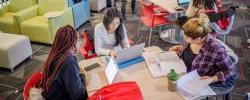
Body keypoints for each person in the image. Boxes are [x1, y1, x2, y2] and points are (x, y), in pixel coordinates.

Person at [169, 14, 238, 95]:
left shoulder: (216, 49)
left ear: (198, 39)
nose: (184, 38)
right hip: (190, 74)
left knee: (178, 93)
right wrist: (181, 49)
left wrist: (213, 78)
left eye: (186, 37)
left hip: (214, 81)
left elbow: (231, 70)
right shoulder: (194, 38)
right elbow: (193, 54)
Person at [39, 25, 88, 100]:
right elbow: (79, 95)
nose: (80, 42)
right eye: (78, 40)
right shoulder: (69, 62)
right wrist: (82, 77)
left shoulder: (55, 55)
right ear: (72, 44)